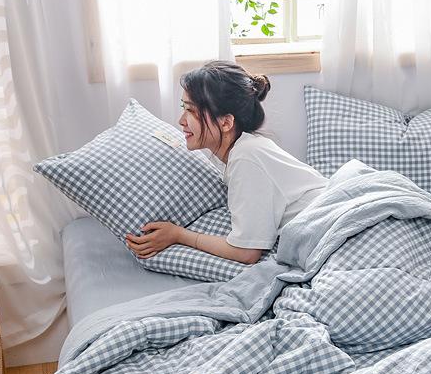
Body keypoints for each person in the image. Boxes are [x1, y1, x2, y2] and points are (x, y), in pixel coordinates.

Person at [126, 61, 328, 265]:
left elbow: (247, 253)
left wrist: (179, 235)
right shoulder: (243, 150)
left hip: (330, 219)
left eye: (191, 110)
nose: (181, 120)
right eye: (183, 108)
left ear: (226, 122)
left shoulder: (246, 156)